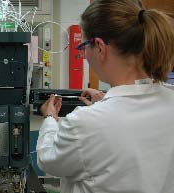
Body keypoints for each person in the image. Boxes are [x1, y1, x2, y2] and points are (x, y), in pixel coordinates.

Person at [36, 0, 174, 193]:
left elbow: (48, 160)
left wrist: (50, 118)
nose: (84, 55)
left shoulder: (86, 123)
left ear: (100, 47)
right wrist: (106, 100)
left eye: (84, 46)